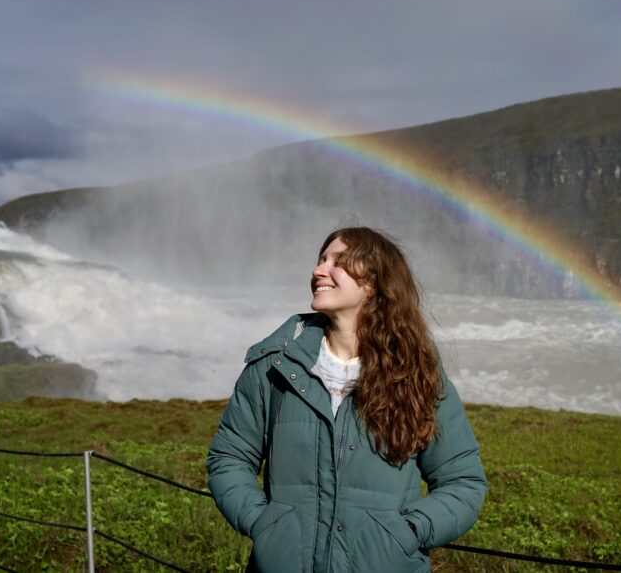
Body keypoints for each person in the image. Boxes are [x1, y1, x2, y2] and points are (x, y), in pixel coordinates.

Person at [207, 227, 486, 573]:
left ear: (372, 284)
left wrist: (407, 533)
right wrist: (264, 525)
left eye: (338, 262)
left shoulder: (417, 376)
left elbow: (463, 482)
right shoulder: (272, 367)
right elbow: (228, 458)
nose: (318, 270)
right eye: (321, 260)